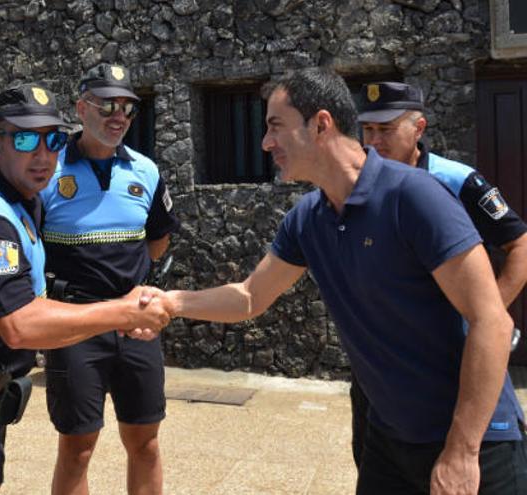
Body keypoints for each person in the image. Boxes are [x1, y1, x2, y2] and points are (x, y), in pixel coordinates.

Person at [157, 67, 527, 494]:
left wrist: (462, 452)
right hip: (390, 436)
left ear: (321, 124)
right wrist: (171, 302)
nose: (265, 143)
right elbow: (248, 297)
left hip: (474, 440)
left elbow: (492, 322)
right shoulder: (307, 219)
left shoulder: (415, 197)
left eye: (276, 126)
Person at [0, 82, 171, 495]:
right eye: (26, 138)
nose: (43, 154)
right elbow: (20, 325)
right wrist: (126, 312)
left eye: (54, 139)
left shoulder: (18, 197)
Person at [348, 80, 527, 468]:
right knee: (375, 461)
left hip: (445, 355)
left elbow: (521, 246)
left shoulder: (456, 180)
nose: (374, 142)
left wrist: (480, 319)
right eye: (368, 130)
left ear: (419, 128)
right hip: (379, 361)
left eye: (386, 130)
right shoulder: (355, 187)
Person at [39, 63, 179, 495]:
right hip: (74, 323)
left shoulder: (146, 171)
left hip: (136, 323)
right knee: (78, 448)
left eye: (127, 108)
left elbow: (158, 238)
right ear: (81, 108)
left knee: (146, 442)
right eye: (107, 106)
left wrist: (136, 291)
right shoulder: (47, 170)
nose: (118, 116)